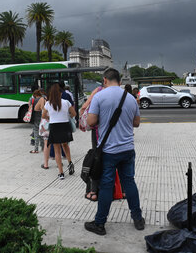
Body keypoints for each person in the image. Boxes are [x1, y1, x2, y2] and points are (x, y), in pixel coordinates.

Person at [84, 68, 144, 235]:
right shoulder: (131, 98)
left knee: (106, 186)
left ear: (105, 80)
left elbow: (91, 121)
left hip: (109, 151)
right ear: (119, 80)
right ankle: (138, 219)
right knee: (129, 182)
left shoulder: (99, 96)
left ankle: (100, 224)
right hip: (127, 149)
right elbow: (136, 123)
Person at [42, 84, 76, 180]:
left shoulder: (48, 104)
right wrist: (66, 114)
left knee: (57, 150)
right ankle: (70, 163)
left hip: (54, 127)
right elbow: (73, 114)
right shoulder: (66, 102)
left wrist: (50, 117)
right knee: (65, 145)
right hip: (65, 125)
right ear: (60, 93)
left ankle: (61, 173)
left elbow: (43, 116)